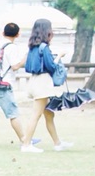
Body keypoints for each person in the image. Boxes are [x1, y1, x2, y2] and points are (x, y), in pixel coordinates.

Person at [16, 18, 72, 152]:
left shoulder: (32, 47)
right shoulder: (44, 47)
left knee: (48, 114)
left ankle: (57, 143)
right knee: (36, 115)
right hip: (43, 83)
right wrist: (59, 56)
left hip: (34, 81)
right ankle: (26, 144)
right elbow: (52, 66)